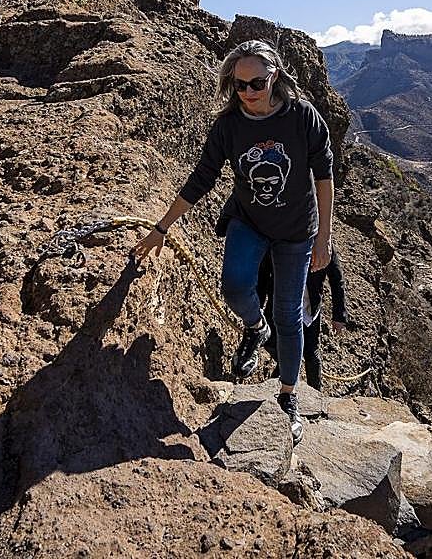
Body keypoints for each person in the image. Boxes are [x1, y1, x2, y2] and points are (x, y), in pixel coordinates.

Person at [132, 39, 334, 444]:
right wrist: (162, 226)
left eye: (256, 83)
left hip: (297, 231)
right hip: (249, 220)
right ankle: (253, 328)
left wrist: (324, 240)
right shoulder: (229, 126)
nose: (248, 93)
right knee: (236, 286)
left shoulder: (302, 117)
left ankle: (288, 396)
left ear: (274, 76)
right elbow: (202, 177)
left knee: (289, 316)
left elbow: (325, 177)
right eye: (239, 85)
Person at [254, 248, 347, 391]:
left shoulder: (324, 246)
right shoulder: (279, 238)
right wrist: (257, 307)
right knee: (270, 342)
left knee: (311, 353)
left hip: (309, 308)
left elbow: (337, 280)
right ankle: (287, 372)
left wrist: (339, 317)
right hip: (279, 304)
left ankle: (315, 394)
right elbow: (263, 275)